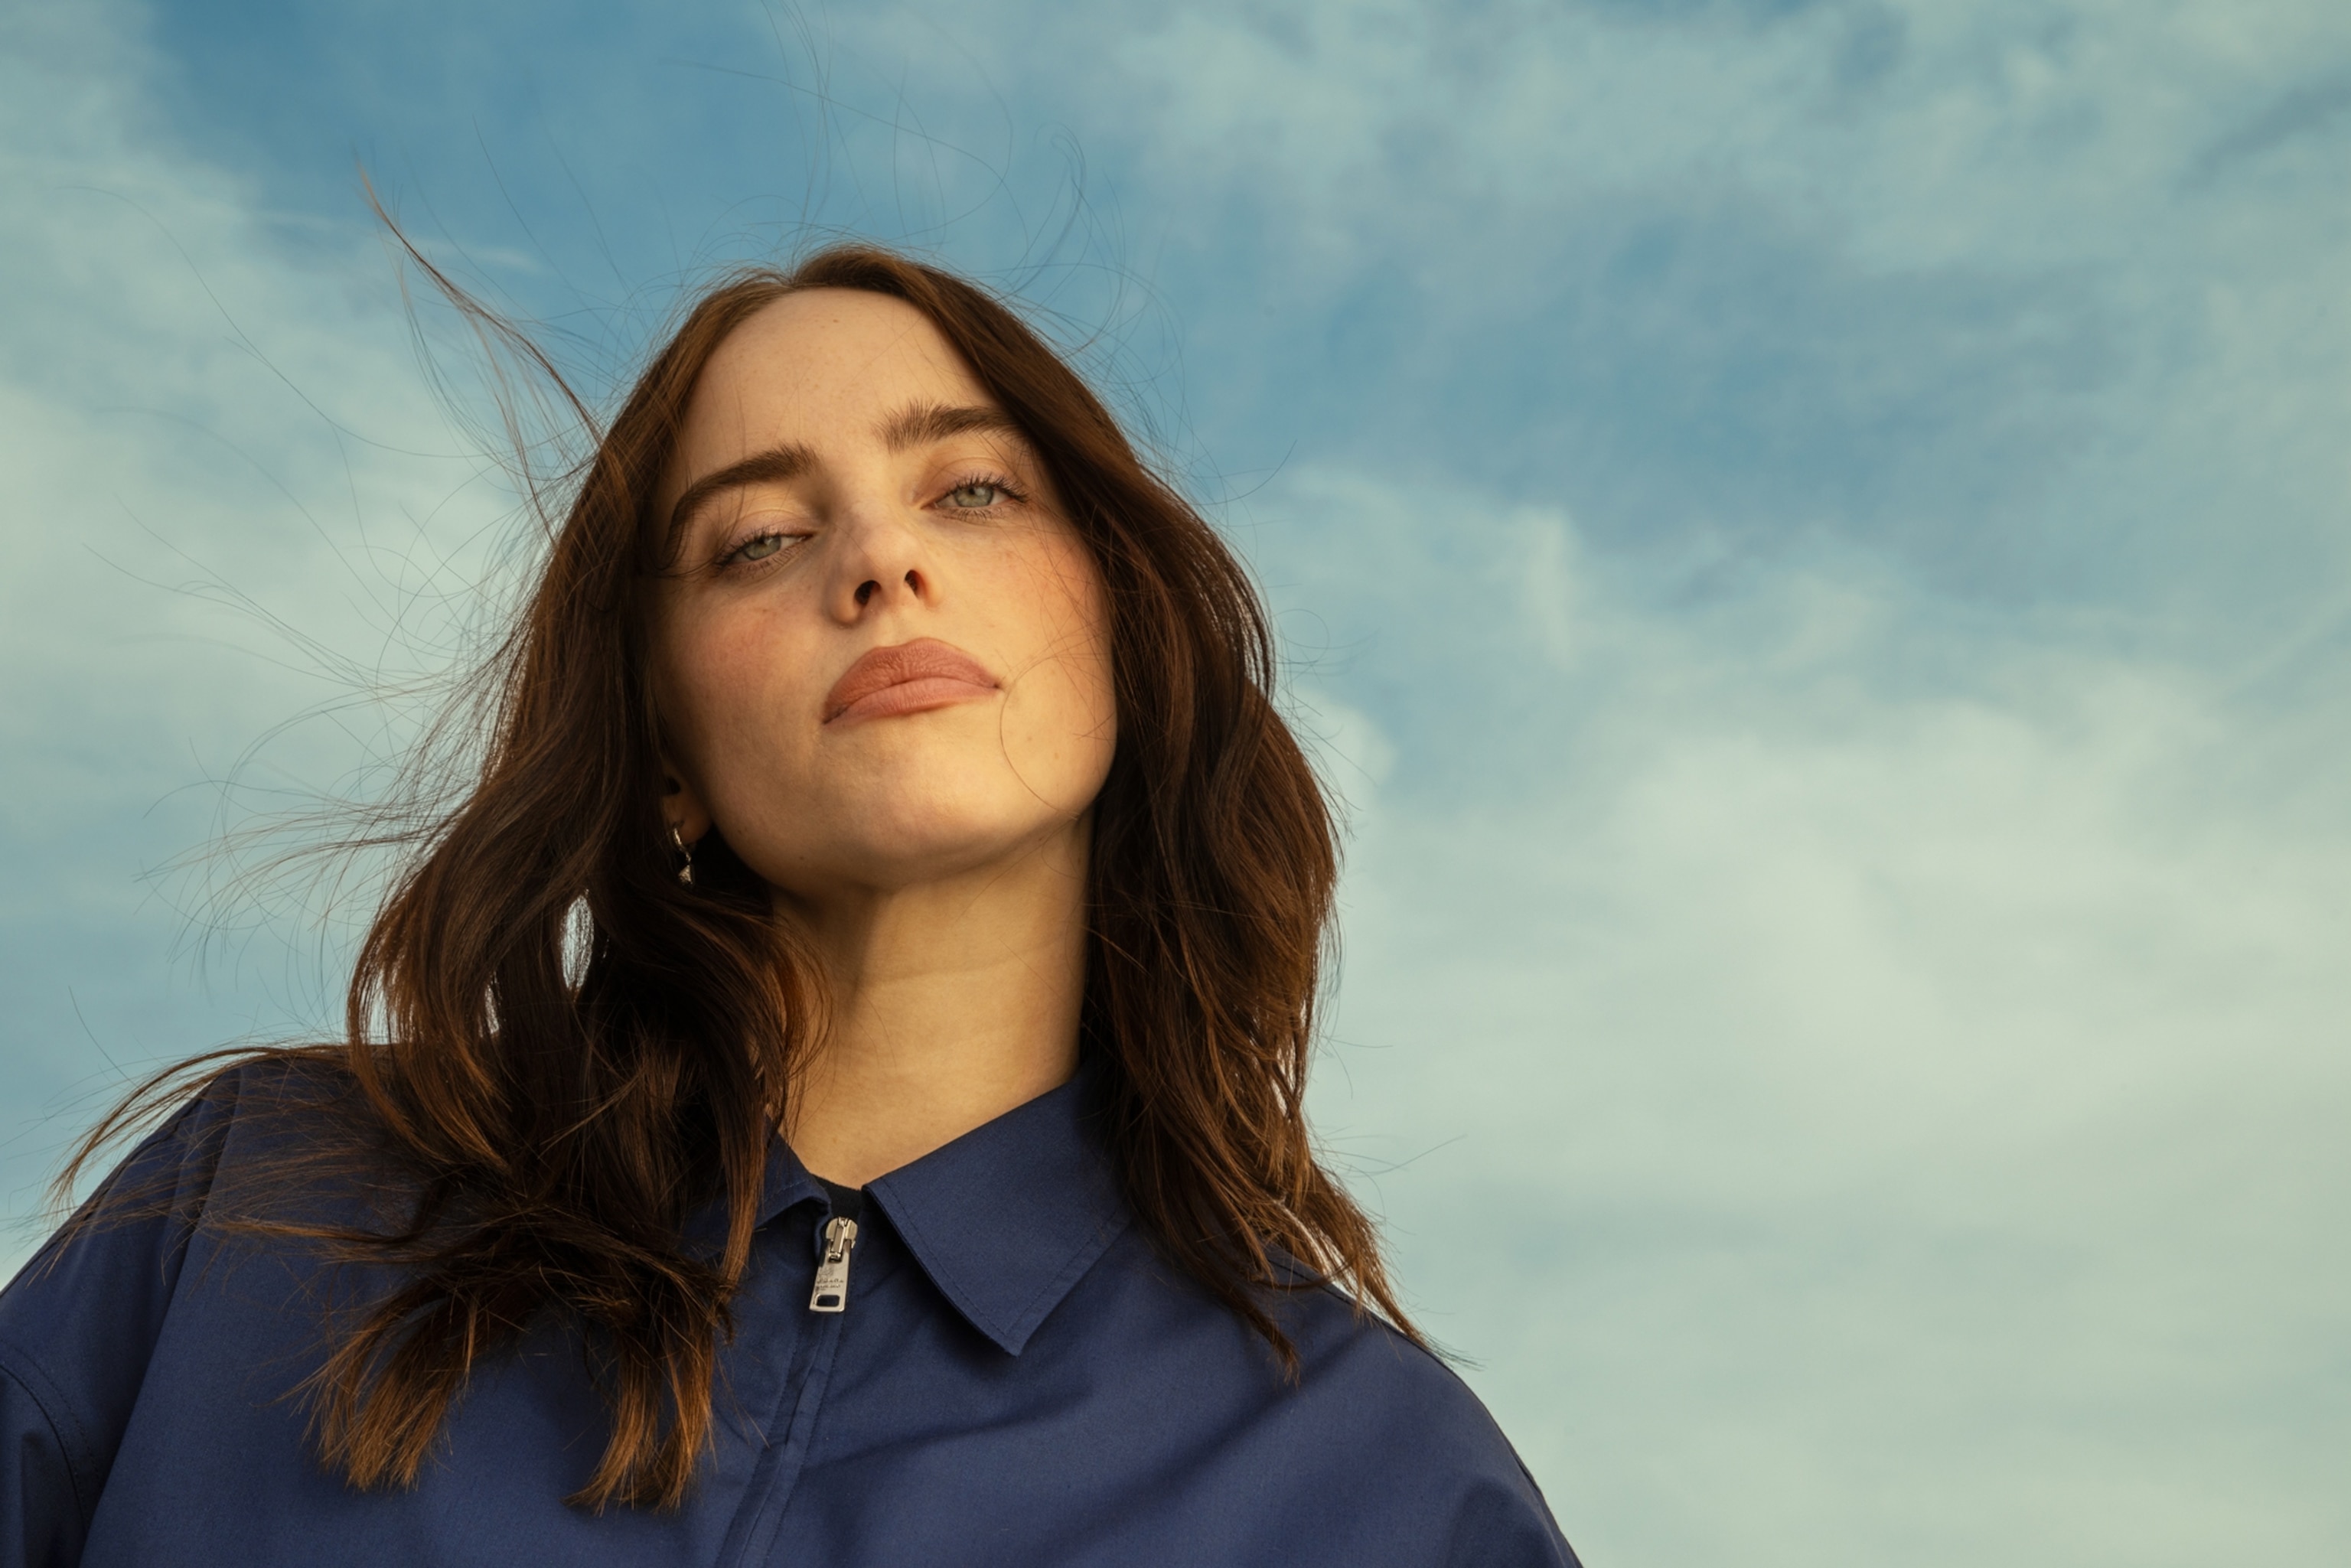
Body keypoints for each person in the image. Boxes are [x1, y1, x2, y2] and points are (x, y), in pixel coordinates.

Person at [0, 243, 1577, 1566]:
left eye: (969, 490)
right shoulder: (264, 1209)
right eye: (760, 535)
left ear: (1121, 633)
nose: (880, 556)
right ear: (665, 746)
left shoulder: (1378, 1484)